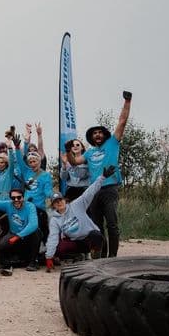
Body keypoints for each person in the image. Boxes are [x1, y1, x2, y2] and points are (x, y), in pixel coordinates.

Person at [68, 91, 132, 258]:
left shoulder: (112, 143)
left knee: (112, 224)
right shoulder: (89, 153)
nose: (97, 134)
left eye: (100, 132)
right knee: (97, 225)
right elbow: (74, 162)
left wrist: (127, 101)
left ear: (104, 135)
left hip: (110, 188)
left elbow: (122, 122)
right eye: (94, 133)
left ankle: (112, 257)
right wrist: (68, 151)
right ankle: (101, 258)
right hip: (94, 190)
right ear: (91, 137)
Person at [44, 166, 116, 272]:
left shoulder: (76, 205)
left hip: (89, 239)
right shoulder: (55, 219)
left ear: (65, 200)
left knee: (96, 235)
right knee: (59, 248)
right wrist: (49, 257)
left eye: (60, 200)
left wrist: (102, 177)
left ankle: (96, 261)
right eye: (56, 202)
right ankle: (78, 256)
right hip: (75, 242)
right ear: (53, 206)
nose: (59, 203)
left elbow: (90, 192)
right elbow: (53, 237)